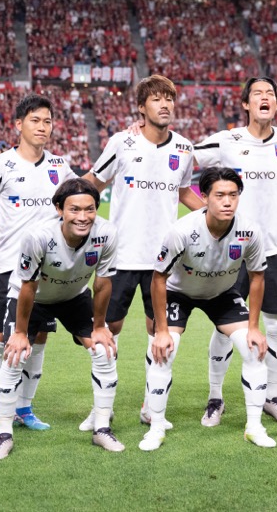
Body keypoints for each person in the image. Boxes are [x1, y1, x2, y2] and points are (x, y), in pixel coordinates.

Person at [192, 77, 277, 426]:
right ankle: (216, 398)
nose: (265, 98)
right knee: (224, 328)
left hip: (274, 249)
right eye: (258, 94)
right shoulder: (226, 141)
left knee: (276, 325)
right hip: (231, 250)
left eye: (271, 95)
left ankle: (272, 395)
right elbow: (181, 160)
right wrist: (202, 210)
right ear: (245, 104)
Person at [81, 74, 201, 432]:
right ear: (141, 107)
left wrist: (213, 214)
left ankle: (152, 406)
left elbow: (184, 193)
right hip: (119, 257)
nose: (165, 104)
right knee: (104, 334)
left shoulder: (184, 148)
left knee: (160, 335)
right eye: (157, 99)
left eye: (169, 99)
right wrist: (65, 204)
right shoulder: (122, 142)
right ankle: (101, 409)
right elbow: (93, 181)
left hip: (163, 262)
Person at [0, 179, 122, 460]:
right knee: (15, 355)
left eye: (89, 209)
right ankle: (4, 434)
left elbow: (103, 283)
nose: (82, 217)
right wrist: (21, 333)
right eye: (74, 209)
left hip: (74, 296)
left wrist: (99, 326)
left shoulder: (107, 233)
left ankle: (102, 429)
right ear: (60, 208)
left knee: (104, 351)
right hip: (33, 299)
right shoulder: (38, 236)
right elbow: (28, 287)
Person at [141, 167, 274, 450]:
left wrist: (253, 327)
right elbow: (159, 278)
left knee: (254, 349)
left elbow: (258, 276)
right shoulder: (182, 231)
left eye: (233, 195)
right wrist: (161, 330)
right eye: (220, 195)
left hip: (222, 293)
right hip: (180, 293)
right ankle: (156, 426)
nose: (227, 201)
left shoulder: (249, 231)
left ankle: (254, 426)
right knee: (165, 350)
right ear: (205, 197)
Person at [0, 94, 77, 440]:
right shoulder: (0, 165)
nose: (43, 127)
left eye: (47, 121)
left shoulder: (59, 166)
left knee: (40, 338)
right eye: (35, 120)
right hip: (5, 267)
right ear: (19, 124)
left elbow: (84, 189)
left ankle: (24, 407)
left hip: (46, 272)